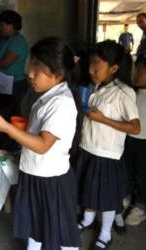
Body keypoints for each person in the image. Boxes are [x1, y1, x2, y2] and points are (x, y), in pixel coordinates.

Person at [0, 37, 81, 250]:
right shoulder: (46, 95)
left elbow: (43, 145)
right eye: (31, 64)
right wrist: (9, 127)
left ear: (58, 74)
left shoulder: (62, 103)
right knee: (36, 225)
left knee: (58, 232)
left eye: (37, 68)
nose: (29, 73)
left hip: (51, 181)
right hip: (34, 173)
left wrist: (5, 127)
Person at [73, 40, 140, 250]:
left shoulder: (123, 92)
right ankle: (88, 220)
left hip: (107, 154)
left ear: (113, 68)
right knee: (89, 191)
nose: (91, 70)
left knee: (107, 196)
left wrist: (102, 119)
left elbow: (135, 127)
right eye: (90, 64)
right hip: (88, 148)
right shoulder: (96, 86)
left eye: (97, 65)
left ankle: (105, 234)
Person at [123, 54, 146, 226]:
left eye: (140, 71)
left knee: (142, 174)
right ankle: (128, 196)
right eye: (135, 70)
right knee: (128, 171)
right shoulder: (132, 92)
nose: (135, 74)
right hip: (130, 138)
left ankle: (140, 206)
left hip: (144, 142)